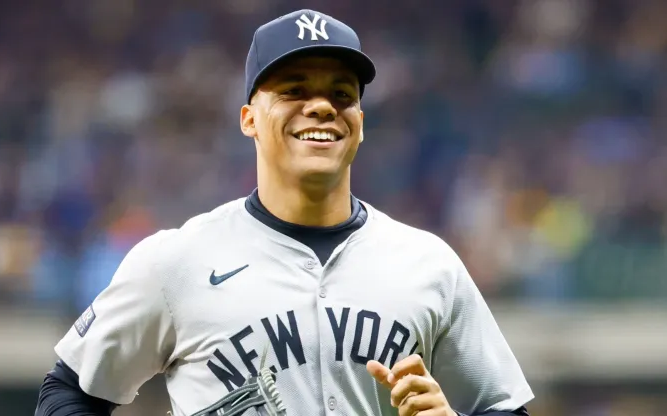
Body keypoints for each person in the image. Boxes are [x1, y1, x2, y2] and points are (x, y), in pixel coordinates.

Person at [35, 9, 534, 416]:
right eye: (294, 90)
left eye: (342, 94)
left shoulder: (430, 264)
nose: (321, 107)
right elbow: (68, 393)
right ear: (249, 119)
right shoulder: (177, 260)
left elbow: (502, 406)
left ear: (360, 124)